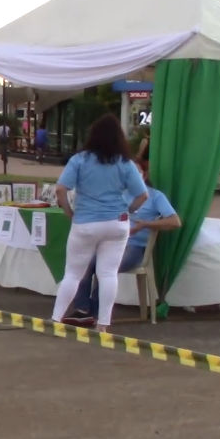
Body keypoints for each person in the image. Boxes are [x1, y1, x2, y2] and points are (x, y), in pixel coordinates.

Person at [50, 115, 148, 332]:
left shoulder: (80, 160)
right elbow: (142, 195)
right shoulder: (126, 163)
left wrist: (69, 212)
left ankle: (56, 319)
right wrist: (128, 210)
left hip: (85, 222)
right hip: (117, 223)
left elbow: (60, 189)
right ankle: (103, 324)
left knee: (73, 274)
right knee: (108, 274)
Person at [63, 160, 180, 326]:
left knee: (106, 267)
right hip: (110, 242)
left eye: (135, 172)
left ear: (143, 176)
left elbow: (174, 222)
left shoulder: (155, 196)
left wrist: (145, 225)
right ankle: (82, 309)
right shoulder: (119, 194)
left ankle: (96, 313)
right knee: (85, 262)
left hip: (135, 247)